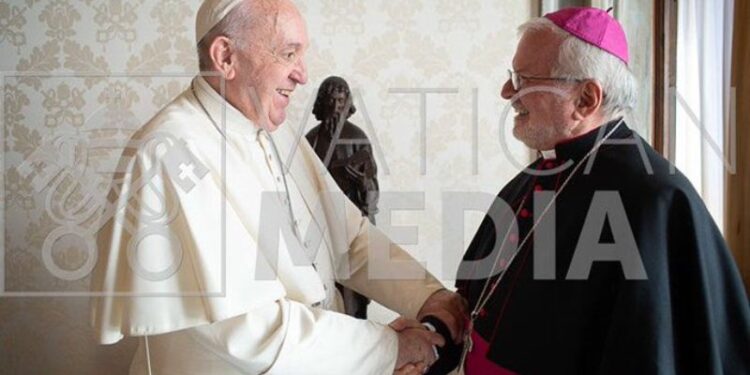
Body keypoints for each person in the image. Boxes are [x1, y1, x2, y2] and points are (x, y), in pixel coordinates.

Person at [90, 0, 466, 374]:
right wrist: (390, 349)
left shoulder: (275, 130)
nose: (302, 75)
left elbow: (349, 240)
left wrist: (428, 298)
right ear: (225, 57)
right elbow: (251, 329)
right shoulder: (169, 153)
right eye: (289, 54)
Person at [451, 7, 750, 375]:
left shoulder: (653, 197)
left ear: (586, 99)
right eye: (513, 76)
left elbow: (650, 353)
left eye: (524, 79)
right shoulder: (539, 174)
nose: (507, 91)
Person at [306, 75, 379, 319]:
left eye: (340, 100)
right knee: (320, 290)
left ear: (347, 103)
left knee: (354, 291)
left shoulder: (357, 138)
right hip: (319, 225)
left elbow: (372, 185)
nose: (335, 107)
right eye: (330, 101)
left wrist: (361, 182)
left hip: (352, 223)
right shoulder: (312, 140)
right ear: (322, 104)